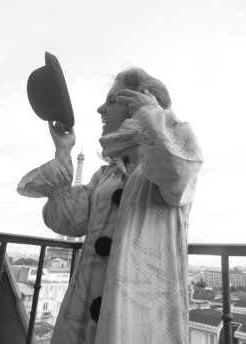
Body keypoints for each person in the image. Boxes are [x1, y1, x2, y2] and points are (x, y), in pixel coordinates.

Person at [17, 68, 204, 344]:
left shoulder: (169, 162)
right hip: (80, 320)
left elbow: (179, 165)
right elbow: (69, 222)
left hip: (139, 322)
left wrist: (152, 115)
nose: (100, 108)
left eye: (112, 99)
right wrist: (63, 151)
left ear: (139, 101)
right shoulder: (104, 175)